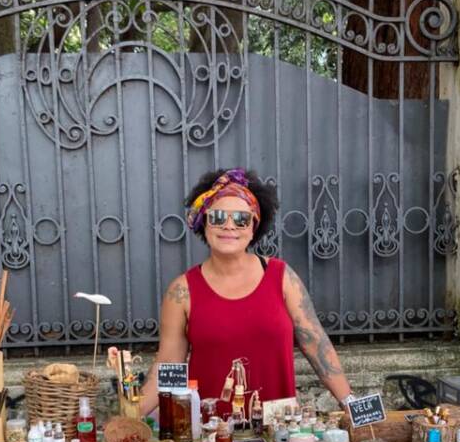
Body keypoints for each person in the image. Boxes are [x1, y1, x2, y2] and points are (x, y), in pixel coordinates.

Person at [139, 168, 354, 417]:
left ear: (253, 226)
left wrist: (351, 404)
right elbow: (170, 364)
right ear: (203, 223)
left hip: (279, 432)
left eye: (241, 219)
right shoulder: (182, 291)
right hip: (213, 435)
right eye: (217, 217)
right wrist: (128, 419)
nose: (229, 226)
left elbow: (315, 342)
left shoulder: (281, 276)